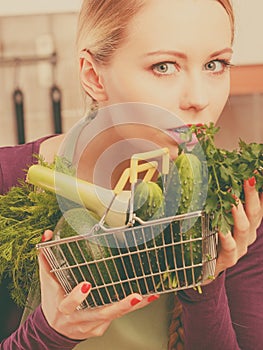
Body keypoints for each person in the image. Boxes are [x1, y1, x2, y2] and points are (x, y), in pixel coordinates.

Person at [0, 0, 262, 349]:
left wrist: (204, 277)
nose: (200, 98)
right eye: (164, 66)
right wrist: (50, 331)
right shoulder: (7, 180)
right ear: (94, 76)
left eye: (215, 64)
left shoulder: (235, 206)